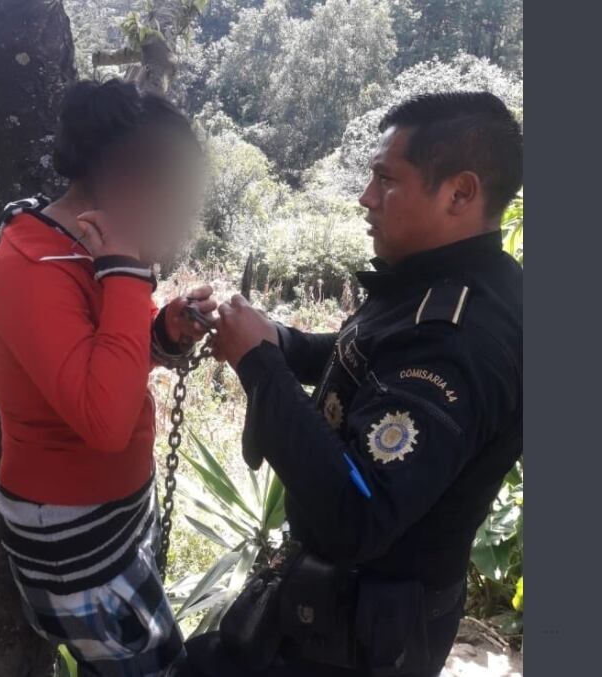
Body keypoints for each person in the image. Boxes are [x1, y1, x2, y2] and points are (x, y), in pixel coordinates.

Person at [182, 92, 524, 677]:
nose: (366, 197)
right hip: (337, 612)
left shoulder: (458, 338)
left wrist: (260, 365)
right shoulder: (443, 281)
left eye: (386, 180)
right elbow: (367, 359)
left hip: (359, 637)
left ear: (460, 194)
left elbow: (355, 515)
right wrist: (277, 341)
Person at [0, 79, 213, 677]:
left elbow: (104, 362)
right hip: (75, 542)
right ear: (128, 181)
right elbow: (104, 421)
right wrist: (128, 273)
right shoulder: (35, 266)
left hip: (108, 521)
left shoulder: (82, 248)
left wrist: (160, 334)